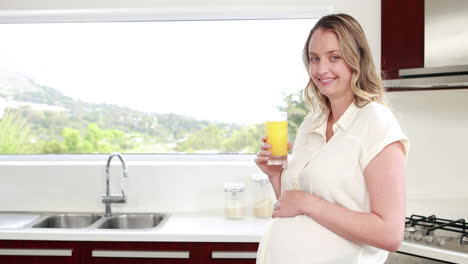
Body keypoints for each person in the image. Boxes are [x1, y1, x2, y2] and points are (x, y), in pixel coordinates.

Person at [254, 13, 409, 264]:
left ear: (355, 59)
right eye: (314, 59)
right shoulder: (312, 121)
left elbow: (390, 234)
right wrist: (275, 174)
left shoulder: (375, 122)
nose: (321, 69)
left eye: (334, 57)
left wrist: (308, 203)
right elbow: (293, 206)